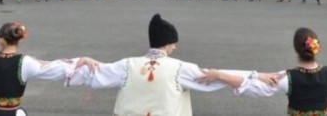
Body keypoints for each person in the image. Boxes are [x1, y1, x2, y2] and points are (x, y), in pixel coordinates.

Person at [67, 14, 254, 116]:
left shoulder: (127, 65)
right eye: (173, 43)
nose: (175, 47)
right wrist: (254, 76)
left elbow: (96, 73)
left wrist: (82, 60)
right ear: (166, 43)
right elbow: (211, 77)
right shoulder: (179, 68)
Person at [200, 27, 327, 115]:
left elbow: (251, 85)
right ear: (316, 48)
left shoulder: (287, 78)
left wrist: (219, 75)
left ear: (296, 50)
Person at [0, 22, 77, 116]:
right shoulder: (25, 62)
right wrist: (80, 62)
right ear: (19, 40)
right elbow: (55, 68)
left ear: (0, 41)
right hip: (12, 113)